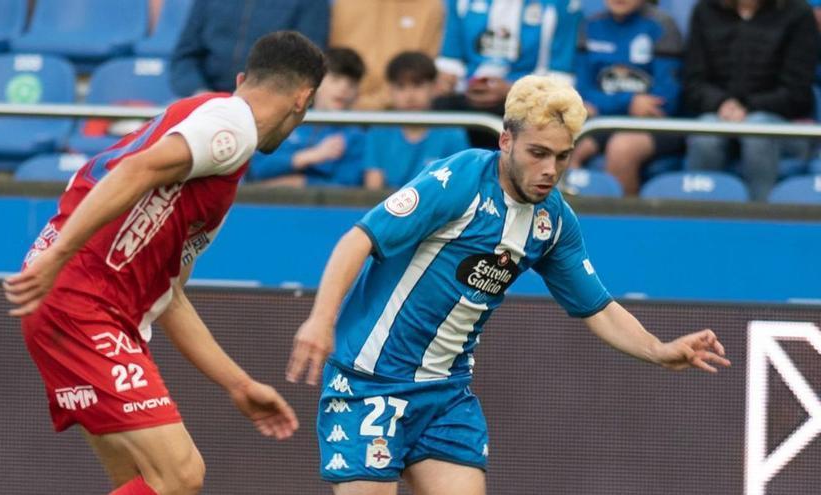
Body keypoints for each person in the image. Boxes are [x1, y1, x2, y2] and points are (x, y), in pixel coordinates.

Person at [286, 75, 730, 494]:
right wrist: (321, 321)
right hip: (371, 381)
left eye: (562, 156)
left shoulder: (553, 220)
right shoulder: (460, 180)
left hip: (445, 396)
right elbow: (358, 239)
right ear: (506, 141)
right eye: (538, 153)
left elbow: (598, 306)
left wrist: (658, 349)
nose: (550, 169)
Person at [3, 32, 326, 495]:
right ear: (304, 99)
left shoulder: (205, 126)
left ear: (242, 79)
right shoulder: (234, 127)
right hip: (83, 303)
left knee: (143, 483)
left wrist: (237, 384)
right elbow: (134, 171)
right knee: (181, 476)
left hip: (80, 306)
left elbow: (169, 296)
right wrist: (61, 255)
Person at [682, 0, 818, 201]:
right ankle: (695, 218)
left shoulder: (799, 13)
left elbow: (797, 92)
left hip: (783, 124)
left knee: (757, 129)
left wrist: (748, 107)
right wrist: (722, 103)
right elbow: (693, 82)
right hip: (719, 114)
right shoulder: (705, 10)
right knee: (706, 134)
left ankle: (760, 219)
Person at [571, 0, 684, 195]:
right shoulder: (589, 26)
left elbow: (665, 102)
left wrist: (604, 103)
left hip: (655, 125)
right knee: (563, 146)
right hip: (603, 121)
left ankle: (624, 224)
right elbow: (583, 93)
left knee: (622, 149)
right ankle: (568, 220)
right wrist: (629, 102)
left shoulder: (662, 25)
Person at [433, 0, 582, 147]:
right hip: (466, 97)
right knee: (435, 105)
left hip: (528, 102)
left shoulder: (563, 4)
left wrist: (512, 90)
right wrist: (460, 84)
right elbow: (449, 64)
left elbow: (561, 77)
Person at [248, 47, 366, 188]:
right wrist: (310, 156)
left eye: (351, 84)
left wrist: (293, 182)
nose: (343, 88)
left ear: (357, 93)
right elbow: (256, 169)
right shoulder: (286, 119)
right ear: (315, 83)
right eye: (335, 79)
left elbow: (346, 188)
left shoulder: (356, 136)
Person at [169, 0, 329, 96]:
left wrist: (258, 98)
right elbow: (185, 56)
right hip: (208, 104)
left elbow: (306, 64)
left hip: (272, 107)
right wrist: (199, 92)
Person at [364, 51, 469, 190]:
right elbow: (373, 191)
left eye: (418, 85)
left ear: (434, 87)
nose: (410, 95)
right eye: (401, 87)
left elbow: (459, 188)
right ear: (390, 91)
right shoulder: (378, 132)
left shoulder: (453, 134)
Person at [329, 0, 445, 110]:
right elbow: (333, 63)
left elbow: (426, 72)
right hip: (346, 109)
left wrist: (388, 98)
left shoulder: (430, 7)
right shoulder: (345, 5)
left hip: (402, 111)